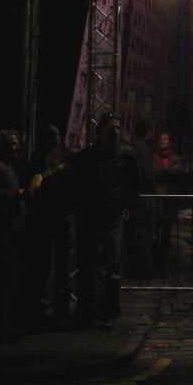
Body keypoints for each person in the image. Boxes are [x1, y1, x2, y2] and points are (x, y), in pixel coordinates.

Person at [73, 112, 138, 328]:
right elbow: (79, 184)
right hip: (91, 217)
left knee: (112, 268)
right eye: (112, 128)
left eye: (118, 128)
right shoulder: (88, 156)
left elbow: (133, 184)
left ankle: (108, 311)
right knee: (89, 266)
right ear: (100, 131)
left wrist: (128, 206)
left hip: (111, 217)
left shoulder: (126, 155)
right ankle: (88, 311)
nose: (116, 132)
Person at [23, 124, 74, 328]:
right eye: (51, 136)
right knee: (43, 263)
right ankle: (41, 307)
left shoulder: (64, 156)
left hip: (59, 214)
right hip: (45, 216)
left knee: (62, 263)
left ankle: (61, 308)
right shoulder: (38, 158)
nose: (55, 139)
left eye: (56, 135)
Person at [0, 130, 41, 342]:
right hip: (2, 230)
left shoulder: (9, 167)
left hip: (13, 228)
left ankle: (6, 322)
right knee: (2, 277)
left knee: (10, 276)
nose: (18, 148)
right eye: (13, 144)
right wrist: (21, 193)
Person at [124, 119, 155, 277]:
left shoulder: (130, 146)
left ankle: (131, 267)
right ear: (148, 132)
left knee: (132, 233)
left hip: (130, 195)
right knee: (144, 232)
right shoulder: (144, 149)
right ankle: (143, 268)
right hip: (142, 196)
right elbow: (148, 173)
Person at [153, 132, 182, 272]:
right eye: (160, 139)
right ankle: (155, 261)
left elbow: (176, 173)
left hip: (169, 200)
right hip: (156, 199)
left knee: (166, 232)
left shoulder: (175, 158)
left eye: (164, 139)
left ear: (170, 143)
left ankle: (163, 262)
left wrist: (161, 170)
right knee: (155, 232)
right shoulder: (154, 157)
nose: (161, 141)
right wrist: (168, 171)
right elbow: (154, 173)